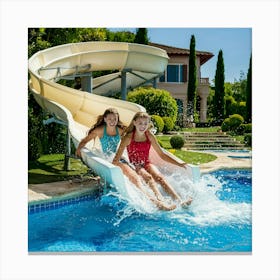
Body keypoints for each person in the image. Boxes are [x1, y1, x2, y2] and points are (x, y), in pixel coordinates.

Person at [112, 112, 192, 211]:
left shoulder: (149, 136)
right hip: (134, 165)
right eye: (140, 123)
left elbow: (162, 154)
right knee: (148, 177)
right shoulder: (128, 137)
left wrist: (178, 163)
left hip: (146, 162)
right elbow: (116, 158)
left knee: (160, 178)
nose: (143, 126)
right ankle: (159, 201)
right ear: (134, 123)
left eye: (145, 124)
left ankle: (180, 201)